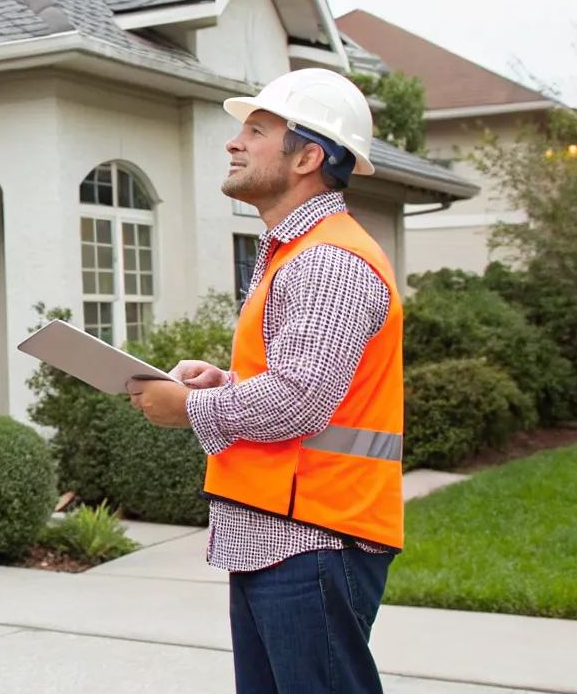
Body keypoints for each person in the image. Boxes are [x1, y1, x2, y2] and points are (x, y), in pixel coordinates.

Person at [125, 68, 405, 694]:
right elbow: (304, 382)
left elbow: (300, 399)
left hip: (314, 535)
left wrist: (188, 408)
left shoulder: (327, 260)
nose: (234, 142)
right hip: (285, 530)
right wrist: (223, 384)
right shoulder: (297, 250)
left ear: (308, 157)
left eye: (256, 131)